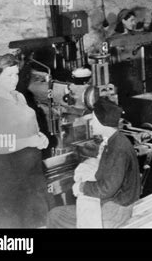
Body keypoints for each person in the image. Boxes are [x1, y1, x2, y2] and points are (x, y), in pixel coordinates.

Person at [47, 97, 141, 228]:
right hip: (118, 204)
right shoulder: (116, 140)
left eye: (93, 120)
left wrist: (81, 187)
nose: (90, 124)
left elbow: (106, 189)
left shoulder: (117, 149)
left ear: (103, 122)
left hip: (115, 211)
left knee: (55, 215)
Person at [0, 54, 50, 228]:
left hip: (32, 172)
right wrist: (28, 141)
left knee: (39, 220)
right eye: (9, 75)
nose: (15, 79)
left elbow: (28, 125)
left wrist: (40, 138)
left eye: (16, 74)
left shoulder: (19, 96)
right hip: (8, 177)